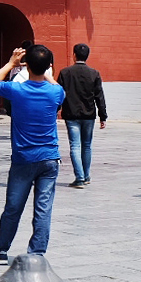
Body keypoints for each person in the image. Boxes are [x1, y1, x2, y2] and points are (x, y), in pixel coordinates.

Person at [0, 44, 64, 263]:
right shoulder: (55, 92)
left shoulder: (17, 91)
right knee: (43, 208)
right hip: (50, 158)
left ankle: (0, 250)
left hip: (24, 158)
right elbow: (56, 86)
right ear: (49, 66)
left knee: (13, 207)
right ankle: (37, 253)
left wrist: (12, 63)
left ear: (27, 66)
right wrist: (47, 72)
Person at [59, 43, 108, 188]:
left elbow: (59, 94)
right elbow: (99, 96)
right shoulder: (94, 73)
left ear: (74, 55)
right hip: (89, 114)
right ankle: (86, 176)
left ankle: (79, 177)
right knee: (87, 145)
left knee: (75, 145)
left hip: (71, 113)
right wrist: (103, 115)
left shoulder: (65, 72)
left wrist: (55, 110)